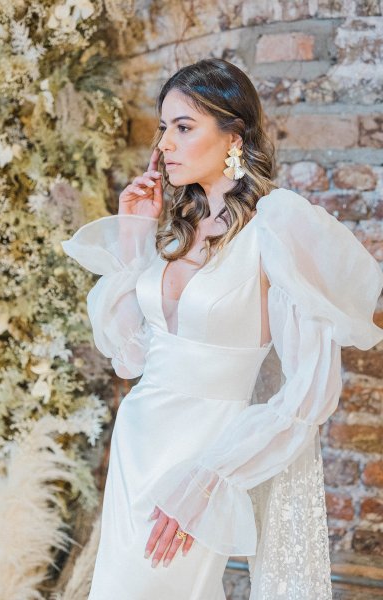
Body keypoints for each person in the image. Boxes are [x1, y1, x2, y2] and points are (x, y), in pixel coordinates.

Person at [61, 58, 383, 600]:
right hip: (139, 443)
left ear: (234, 134)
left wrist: (211, 476)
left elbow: (309, 394)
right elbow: (129, 357)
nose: (165, 143)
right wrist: (134, 233)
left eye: (184, 127)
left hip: (202, 460)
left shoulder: (275, 228)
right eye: (164, 128)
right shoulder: (175, 228)